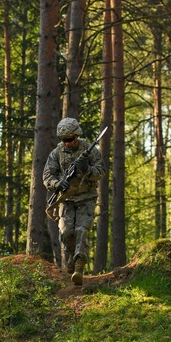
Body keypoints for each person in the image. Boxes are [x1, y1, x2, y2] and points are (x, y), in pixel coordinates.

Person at [42, 118, 106, 285]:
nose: (67, 143)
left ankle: (79, 266)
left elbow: (101, 172)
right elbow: (47, 175)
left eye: (70, 139)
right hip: (66, 200)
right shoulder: (56, 153)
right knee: (66, 232)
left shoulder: (90, 150)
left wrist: (87, 169)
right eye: (64, 140)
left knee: (81, 230)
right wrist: (57, 183)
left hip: (86, 197)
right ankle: (71, 258)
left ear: (77, 136)